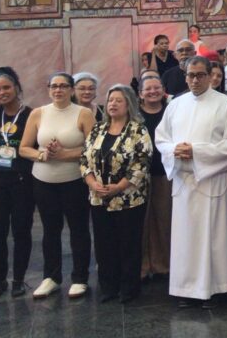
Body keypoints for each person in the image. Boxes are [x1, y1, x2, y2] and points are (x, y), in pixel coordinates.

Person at [154, 56, 227, 308]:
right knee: (186, 238)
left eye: (200, 75)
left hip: (212, 180)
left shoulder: (225, 104)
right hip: (184, 182)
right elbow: (161, 138)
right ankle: (186, 289)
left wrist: (197, 151)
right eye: (191, 75)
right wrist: (175, 149)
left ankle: (218, 289)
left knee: (214, 237)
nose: (195, 80)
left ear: (211, 76)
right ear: (185, 76)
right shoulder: (175, 105)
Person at [18, 72, 96, 300]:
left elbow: (93, 149)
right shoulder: (38, 113)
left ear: (71, 89)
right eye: (54, 86)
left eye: (63, 86)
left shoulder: (83, 113)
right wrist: (42, 155)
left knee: (79, 230)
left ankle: (80, 278)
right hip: (43, 182)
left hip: (74, 182)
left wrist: (65, 154)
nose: (58, 90)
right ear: (48, 88)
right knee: (50, 230)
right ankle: (51, 277)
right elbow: (24, 148)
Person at [81, 85, 151, 304]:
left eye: (118, 100)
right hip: (99, 197)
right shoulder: (98, 130)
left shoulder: (138, 130)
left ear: (128, 104)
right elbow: (84, 159)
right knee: (104, 244)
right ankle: (108, 287)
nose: (112, 104)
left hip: (128, 198)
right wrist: (92, 182)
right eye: (110, 100)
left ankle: (129, 288)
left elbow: (142, 162)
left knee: (128, 244)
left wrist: (119, 186)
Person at [0, 68, 34, 299]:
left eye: (6, 88)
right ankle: (0, 280)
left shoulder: (32, 115)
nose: (2, 93)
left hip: (22, 180)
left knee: (21, 231)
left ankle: (19, 280)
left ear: (17, 88)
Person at [137, 76, 170, 281]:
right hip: (139, 177)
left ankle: (162, 265)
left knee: (163, 220)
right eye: (148, 89)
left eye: (157, 87)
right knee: (141, 222)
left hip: (165, 174)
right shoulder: (135, 116)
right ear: (140, 93)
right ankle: (142, 264)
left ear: (163, 90)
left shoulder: (171, 112)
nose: (153, 91)